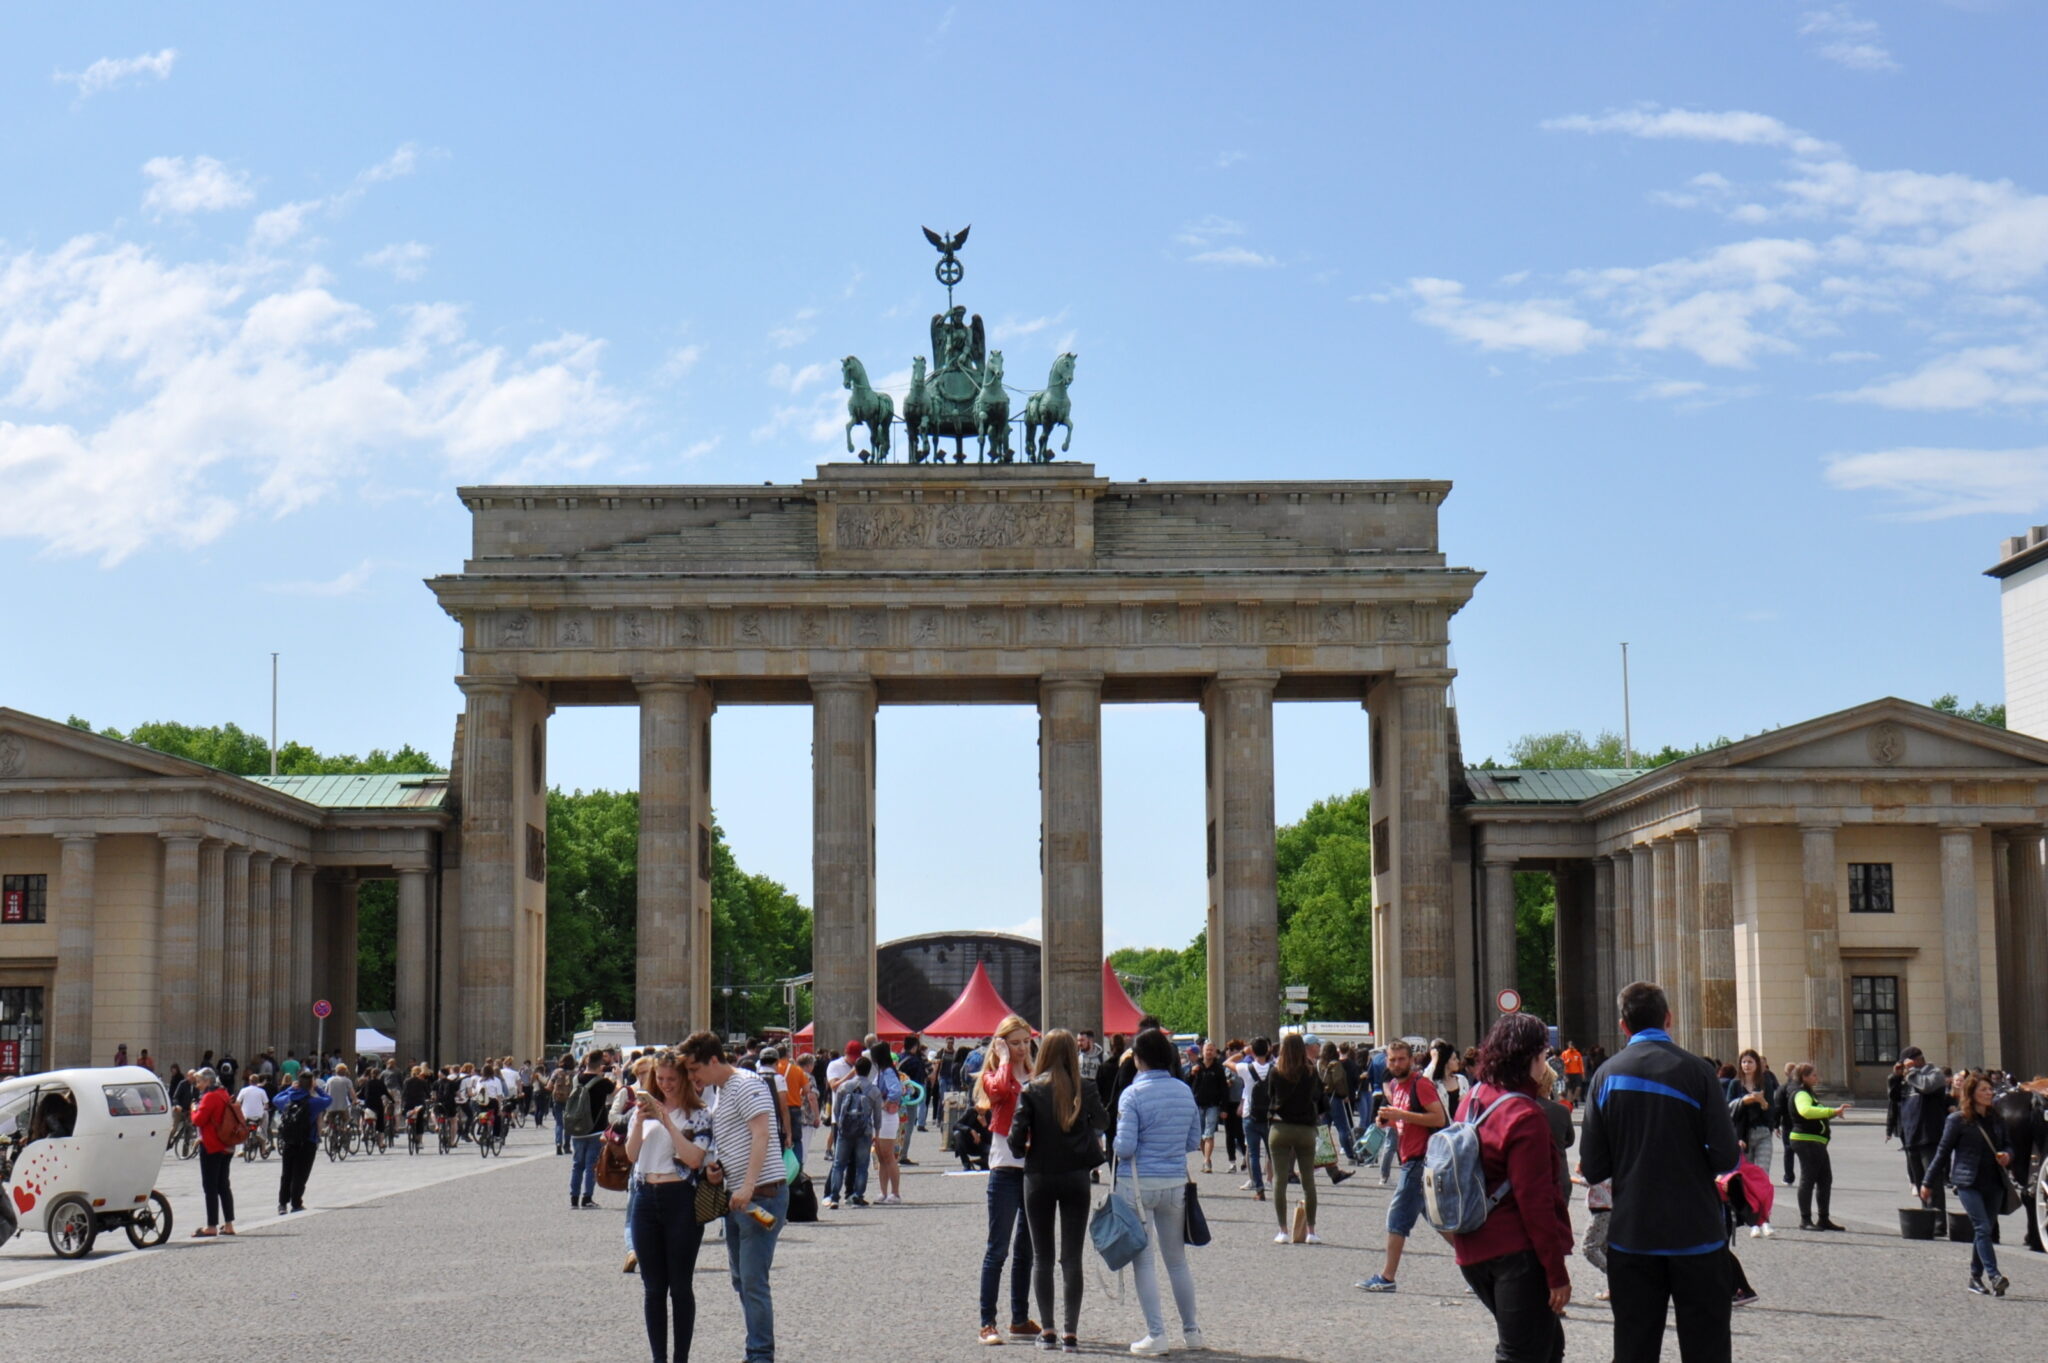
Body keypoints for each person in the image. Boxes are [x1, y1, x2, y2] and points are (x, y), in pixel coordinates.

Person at [1580, 981, 1741, 1363]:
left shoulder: (1605, 1076)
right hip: (1696, 1234)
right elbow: (1724, 1158)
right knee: (1708, 1349)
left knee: (1634, 1349)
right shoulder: (1699, 1072)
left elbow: (1595, 1167)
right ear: (1668, 1019)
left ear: (1623, 1026)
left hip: (1633, 1235)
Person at [1451, 1013, 1574, 1363]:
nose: (1546, 1063)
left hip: (1473, 1246)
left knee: (1549, 1346)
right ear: (1530, 1057)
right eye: (1543, 1055)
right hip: (1516, 1254)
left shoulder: (1472, 1098)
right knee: (1521, 1354)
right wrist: (1556, 1272)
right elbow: (1535, 1204)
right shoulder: (1524, 1115)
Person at [680, 1031, 791, 1363]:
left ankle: (760, 1355)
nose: (692, 1077)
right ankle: (756, 1349)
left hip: (761, 1194)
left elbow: (762, 1133)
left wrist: (747, 1184)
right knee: (742, 1279)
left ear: (714, 1060)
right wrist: (719, 1169)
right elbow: (739, 1139)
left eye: (695, 1069)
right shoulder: (723, 1090)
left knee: (753, 1281)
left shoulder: (746, 1083)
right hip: (739, 1196)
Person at [1009, 1028, 1108, 1353]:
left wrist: (1026, 1146)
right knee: (1071, 1258)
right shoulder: (1086, 1087)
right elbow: (1104, 1122)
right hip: (1076, 1176)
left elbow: (1015, 1140)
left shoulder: (1031, 1090)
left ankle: (1048, 1329)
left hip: (1039, 1176)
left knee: (1042, 1257)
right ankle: (1071, 1333)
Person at [1115, 1027, 1205, 1356]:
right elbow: (1193, 1140)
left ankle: (1157, 1334)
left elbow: (1125, 1147)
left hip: (1138, 1184)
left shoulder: (1132, 1095)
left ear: (1138, 1059)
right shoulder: (1184, 1091)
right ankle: (1192, 1331)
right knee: (1177, 1261)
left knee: (1144, 1262)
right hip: (1174, 1181)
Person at [626, 1049, 717, 1363]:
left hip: (681, 1197)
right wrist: (639, 1121)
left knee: (680, 1285)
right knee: (653, 1288)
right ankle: (659, 1359)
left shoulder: (699, 1114)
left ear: (684, 1080)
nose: (665, 1085)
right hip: (645, 1197)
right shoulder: (642, 1109)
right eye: (660, 1079)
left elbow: (693, 1159)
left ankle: (681, 1357)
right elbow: (631, 1154)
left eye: (671, 1080)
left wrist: (666, 1120)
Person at [1356, 1039, 1446, 1292]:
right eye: (1392, 1060)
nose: (1397, 1064)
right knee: (1441, 1222)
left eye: (1401, 1059)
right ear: (1386, 1061)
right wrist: (1388, 1122)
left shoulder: (1421, 1084)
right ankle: (1481, 1265)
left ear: (1412, 1059)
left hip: (1421, 1160)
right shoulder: (1395, 1086)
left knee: (1397, 1218)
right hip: (1408, 1158)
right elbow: (1404, 1123)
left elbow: (1438, 1117)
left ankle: (1387, 1277)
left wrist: (1400, 1115)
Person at [1920, 1071, 2017, 1296]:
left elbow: (2009, 1145)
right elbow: (1942, 1153)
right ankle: (1993, 1275)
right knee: (1982, 1227)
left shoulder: (1997, 1118)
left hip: (1994, 1182)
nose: (1989, 1092)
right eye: (1984, 1090)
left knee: (1984, 1230)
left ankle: (1974, 1277)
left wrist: (2007, 1155)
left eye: (1990, 1089)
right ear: (1971, 1093)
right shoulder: (1958, 1120)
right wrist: (1927, 1182)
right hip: (1968, 1182)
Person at [975, 1013, 1040, 1346]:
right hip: (1004, 1168)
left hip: (1033, 1167)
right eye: (1014, 1042)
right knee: (997, 1249)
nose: (1021, 1048)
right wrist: (1002, 1059)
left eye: (1025, 1041)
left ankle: (1019, 1317)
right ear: (1001, 1043)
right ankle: (987, 1321)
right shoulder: (991, 1075)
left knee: (1025, 1250)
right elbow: (999, 1091)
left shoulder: (1035, 1074)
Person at [1265, 1032, 1329, 1244]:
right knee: (1308, 1181)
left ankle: (1283, 1230)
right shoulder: (1311, 1072)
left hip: (1280, 1127)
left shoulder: (1275, 1071)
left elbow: (1269, 1096)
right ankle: (1311, 1231)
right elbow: (1320, 1098)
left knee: (1280, 1180)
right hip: (1305, 1129)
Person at [1784, 1062, 1848, 1231]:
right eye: (1813, 1075)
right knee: (1808, 1178)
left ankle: (1823, 1218)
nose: (1817, 1077)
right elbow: (1806, 1111)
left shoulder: (1807, 1093)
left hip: (1815, 1141)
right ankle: (1805, 1220)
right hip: (1806, 1141)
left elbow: (1813, 1115)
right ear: (1804, 1077)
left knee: (1825, 1179)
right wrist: (1831, 1111)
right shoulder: (1801, 1094)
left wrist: (1832, 1114)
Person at [1725, 1049, 1778, 1237]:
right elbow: (1728, 1109)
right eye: (1744, 1062)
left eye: (1750, 1062)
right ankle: (1753, 1221)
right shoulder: (1734, 1084)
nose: (1746, 1065)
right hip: (1742, 1137)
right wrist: (1745, 1100)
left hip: (1762, 1133)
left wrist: (1762, 1102)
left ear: (1757, 1065)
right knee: (1747, 1180)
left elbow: (1770, 1110)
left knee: (1762, 1178)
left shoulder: (1766, 1084)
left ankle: (1766, 1219)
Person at [1897, 1045, 1953, 1219]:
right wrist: (1895, 1077)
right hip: (1911, 1135)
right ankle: (1927, 1216)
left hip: (1929, 1134)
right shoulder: (1907, 1078)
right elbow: (1894, 1098)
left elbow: (1926, 1087)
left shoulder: (1934, 1074)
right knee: (1919, 1179)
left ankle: (1938, 1220)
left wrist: (1912, 1072)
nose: (1905, 1068)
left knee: (1932, 1180)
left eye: (1908, 1063)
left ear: (1918, 1060)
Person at [273, 1070, 332, 1216]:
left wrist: (290, 1088)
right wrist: (316, 1088)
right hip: (307, 1141)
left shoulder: (288, 1099)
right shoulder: (314, 1102)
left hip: (289, 1140)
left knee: (286, 1173)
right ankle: (296, 1202)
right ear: (311, 1084)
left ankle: (282, 1204)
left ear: (298, 1084)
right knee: (301, 1173)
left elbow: (275, 1099)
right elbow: (328, 1099)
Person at [190, 1068, 238, 1237]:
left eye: (199, 1082)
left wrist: (193, 1108)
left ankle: (211, 1226)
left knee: (210, 1186)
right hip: (226, 1144)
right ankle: (229, 1224)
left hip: (212, 1145)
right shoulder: (223, 1093)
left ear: (208, 1081)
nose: (197, 1085)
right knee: (223, 1185)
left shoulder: (210, 1097)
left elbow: (198, 1120)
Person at [828, 1055, 881, 1207]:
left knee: (839, 1164)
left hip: (845, 1130)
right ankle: (857, 1196)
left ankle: (834, 1197)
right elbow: (877, 1116)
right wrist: (876, 1134)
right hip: (864, 1131)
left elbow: (836, 1110)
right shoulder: (873, 1090)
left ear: (855, 1070)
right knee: (862, 1166)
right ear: (869, 1071)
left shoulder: (844, 1087)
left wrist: (840, 1126)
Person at [566, 1051, 616, 1209]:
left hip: (576, 1127)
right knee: (591, 1165)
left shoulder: (576, 1079)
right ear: (600, 1064)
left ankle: (574, 1198)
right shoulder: (602, 1082)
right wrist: (618, 1075)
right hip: (595, 1129)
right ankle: (587, 1198)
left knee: (577, 1164)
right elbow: (617, 1091)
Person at [1235, 1037, 1275, 1201]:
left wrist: (1244, 1052)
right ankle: (1274, 1182)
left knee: (1253, 1154)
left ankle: (1259, 1189)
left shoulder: (1245, 1068)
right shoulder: (1275, 1068)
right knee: (1272, 1153)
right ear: (1268, 1050)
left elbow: (1228, 1062)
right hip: (1269, 1116)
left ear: (1252, 1050)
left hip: (1249, 1114)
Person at [869, 1042, 906, 1204]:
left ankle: (895, 1192)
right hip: (880, 1116)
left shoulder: (888, 1071)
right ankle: (884, 1192)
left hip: (887, 1117)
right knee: (881, 1156)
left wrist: (885, 1103)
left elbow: (896, 1091)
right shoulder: (883, 1071)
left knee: (888, 1155)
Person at [1187, 1041, 1230, 1174]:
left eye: (1212, 1050)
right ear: (1202, 1051)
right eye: (1207, 1050)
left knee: (1209, 1134)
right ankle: (1205, 1158)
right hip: (1198, 1104)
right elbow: (1185, 1083)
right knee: (1200, 1135)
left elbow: (1224, 1089)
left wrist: (1224, 1108)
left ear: (1215, 1052)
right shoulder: (1197, 1067)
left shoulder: (1218, 1069)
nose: (1209, 1052)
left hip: (1213, 1105)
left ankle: (1207, 1160)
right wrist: (1191, 1074)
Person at [1316, 1041, 1356, 1169]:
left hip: (1323, 1097)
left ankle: (1324, 1155)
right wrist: (1344, 1094)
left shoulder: (1319, 1063)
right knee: (1342, 1128)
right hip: (1334, 1098)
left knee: (1324, 1128)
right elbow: (1339, 1082)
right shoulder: (1335, 1064)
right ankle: (1350, 1155)